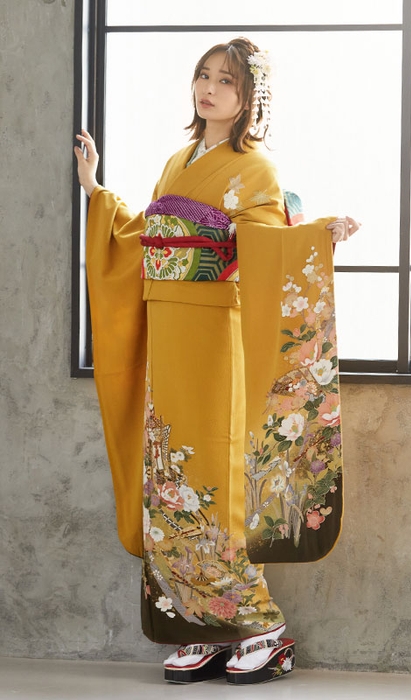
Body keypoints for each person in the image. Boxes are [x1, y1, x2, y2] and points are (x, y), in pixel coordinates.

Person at [74, 37, 359, 685]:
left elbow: (266, 245)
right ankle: (200, 626)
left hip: (215, 334)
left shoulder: (256, 169)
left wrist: (316, 237)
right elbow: (145, 238)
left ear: (250, 95)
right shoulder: (177, 162)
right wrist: (95, 189)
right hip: (169, 330)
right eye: (204, 75)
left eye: (226, 80)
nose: (209, 88)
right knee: (169, 473)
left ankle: (262, 629)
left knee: (215, 479)